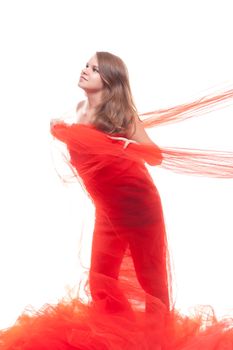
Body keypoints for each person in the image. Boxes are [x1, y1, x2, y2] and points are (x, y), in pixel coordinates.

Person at [1, 51, 233, 350]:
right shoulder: (80, 109)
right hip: (108, 212)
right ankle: (116, 339)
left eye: (94, 69)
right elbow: (85, 146)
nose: (85, 71)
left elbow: (156, 157)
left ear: (109, 80)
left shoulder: (123, 117)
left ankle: (157, 342)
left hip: (139, 208)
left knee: (152, 284)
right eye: (86, 65)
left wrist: (128, 145)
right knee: (101, 280)